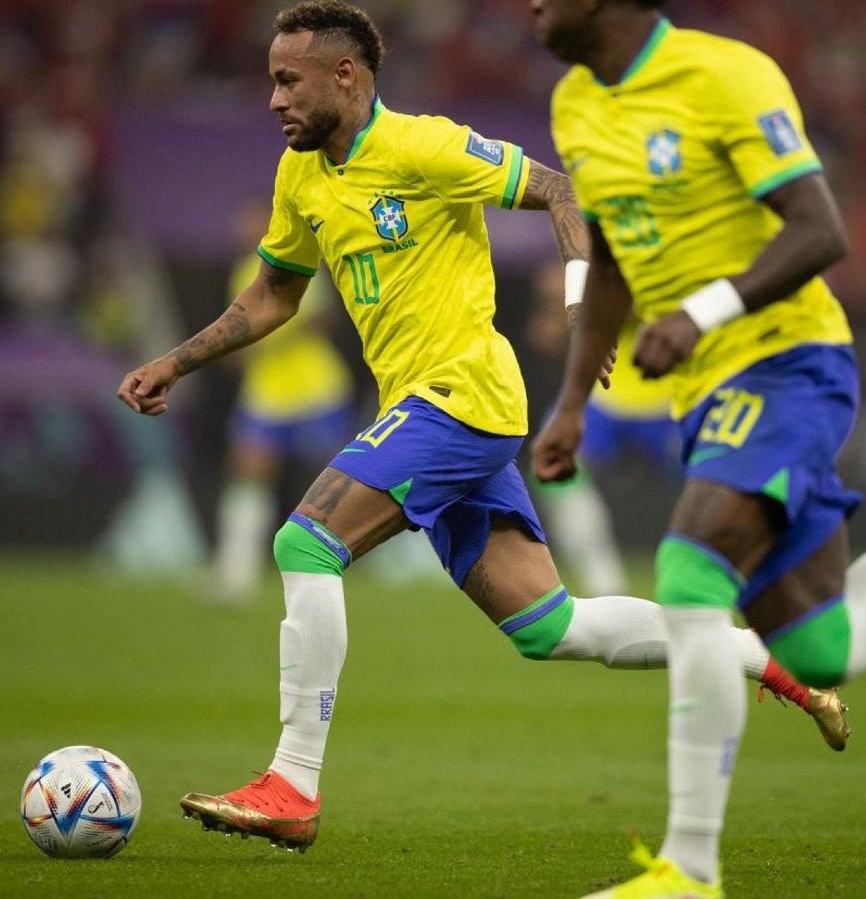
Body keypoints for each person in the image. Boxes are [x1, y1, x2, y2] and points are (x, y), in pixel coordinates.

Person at [117, 0, 849, 857]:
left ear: (345, 77)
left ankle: (292, 782)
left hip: (461, 395)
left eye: (288, 80)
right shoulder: (301, 176)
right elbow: (276, 292)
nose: (274, 98)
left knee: (305, 543)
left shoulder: (425, 145)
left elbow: (560, 188)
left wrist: (583, 308)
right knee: (551, 627)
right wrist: (177, 359)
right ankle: (770, 660)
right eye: (271, 80)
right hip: (422, 408)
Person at [531, 2, 866, 896]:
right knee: (824, 647)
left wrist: (702, 311)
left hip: (790, 362)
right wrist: (569, 403)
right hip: (706, 391)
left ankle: (690, 870)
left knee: (688, 570)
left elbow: (820, 229)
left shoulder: (726, 76)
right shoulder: (575, 102)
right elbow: (607, 263)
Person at [210, 198, 355, 604]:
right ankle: (235, 575)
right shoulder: (242, 273)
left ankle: (369, 559)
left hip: (316, 390)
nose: (247, 230)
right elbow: (240, 337)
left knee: (349, 481)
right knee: (249, 472)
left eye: (256, 221)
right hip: (266, 394)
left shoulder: (298, 260)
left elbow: (319, 321)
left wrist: (267, 336)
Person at [526, 258, 680, 594]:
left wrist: (586, 294)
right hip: (605, 392)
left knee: (720, 481)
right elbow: (551, 326)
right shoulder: (604, 227)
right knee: (554, 460)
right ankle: (603, 583)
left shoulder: (678, 235)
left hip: (674, 395)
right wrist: (563, 306)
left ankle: (718, 577)